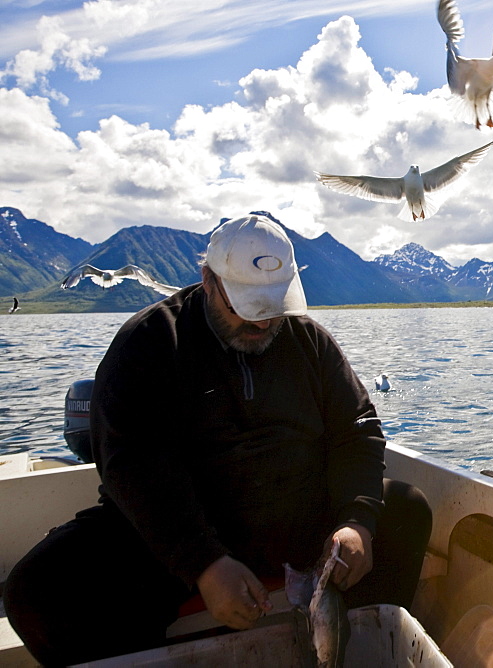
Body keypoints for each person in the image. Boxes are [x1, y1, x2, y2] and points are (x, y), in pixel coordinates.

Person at [3, 214, 432, 666]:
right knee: (38, 590)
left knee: (407, 508)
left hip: (297, 522)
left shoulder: (309, 342)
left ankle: (352, 655)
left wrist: (356, 521)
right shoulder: (149, 343)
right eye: (247, 308)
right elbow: (132, 467)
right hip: (180, 537)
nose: (263, 325)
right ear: (208, 280)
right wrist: (203, 563)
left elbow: (357, 430)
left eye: (273, 307)